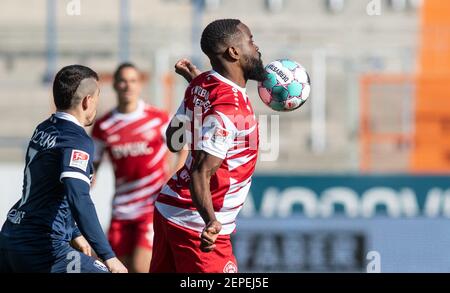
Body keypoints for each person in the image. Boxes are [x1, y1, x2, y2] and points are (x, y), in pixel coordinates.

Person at [149, 19, 266, 273]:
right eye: (251, 41)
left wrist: (195, 90)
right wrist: (211, 221)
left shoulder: (202, 85)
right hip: (196, 224)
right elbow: (200, 172)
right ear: (233, 52)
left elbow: (173, 140)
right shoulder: (230, 108)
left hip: (169, 210)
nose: (256, 48)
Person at [0, 65, 127, 273]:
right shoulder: (76, 140)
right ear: (87, 100)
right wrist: (108, 256)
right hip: (43, 248)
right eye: (97, 97)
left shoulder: (44, 128)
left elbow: (51, 190)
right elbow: (78, 197)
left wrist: (74, 232)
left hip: (11, 237)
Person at [91, 63, 188, 272]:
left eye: (133, 81)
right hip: (121, 211)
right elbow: (92, 168)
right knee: (118, 268)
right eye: (123, 81)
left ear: (140, 85)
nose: (128, 86)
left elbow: (184, 147)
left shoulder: (159, 118)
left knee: (141, 266)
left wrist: (174, 177)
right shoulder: (103, 126)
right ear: (115, 85)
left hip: (151, 208)